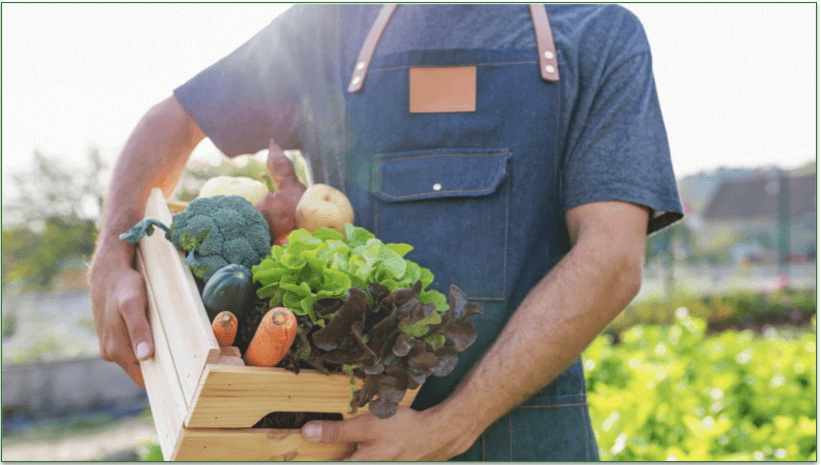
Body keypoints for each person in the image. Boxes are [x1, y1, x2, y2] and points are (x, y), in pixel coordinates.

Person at [88, 4, 683, 461]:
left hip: (535, 435)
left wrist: (447, 429)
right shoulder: (331, 27)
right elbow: (175, 120)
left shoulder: (599, 35)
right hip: (349, 437)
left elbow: (610, 259)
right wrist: (112, 256)